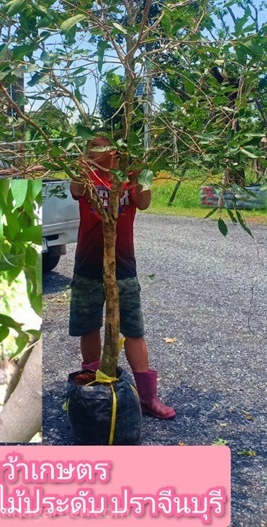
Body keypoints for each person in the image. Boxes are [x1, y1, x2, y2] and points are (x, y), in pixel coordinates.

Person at [69, 135, 176, 419]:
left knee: (134, 329)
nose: (97, 150)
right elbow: (76, 192)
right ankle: (93, 391)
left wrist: (144, 172)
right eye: (92, 146)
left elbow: (144, 203)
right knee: (89, 326)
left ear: (116, 148)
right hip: (88, 262)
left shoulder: (131, 173)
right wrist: (82, 165)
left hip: (123, 264)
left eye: (103, 146)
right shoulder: (85, 172)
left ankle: (147, 398)